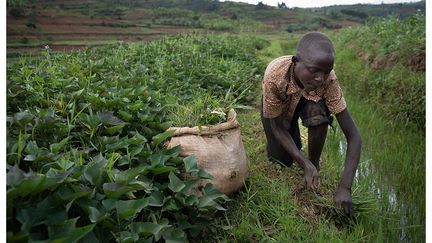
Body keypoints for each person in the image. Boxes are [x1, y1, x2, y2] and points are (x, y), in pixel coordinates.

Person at [260, 32, 362, 216]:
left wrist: (345, 188)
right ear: (295, 62)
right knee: (281, 160)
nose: (320, 78)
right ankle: (301, 157)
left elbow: (354, 136)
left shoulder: (329, 80)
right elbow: (276, 126)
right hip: (279, 111)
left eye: (326, 71)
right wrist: (302, 161)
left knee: (317, 113)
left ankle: (314, 164)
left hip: (306, 102)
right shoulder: (275, 74)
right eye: (314, 70)